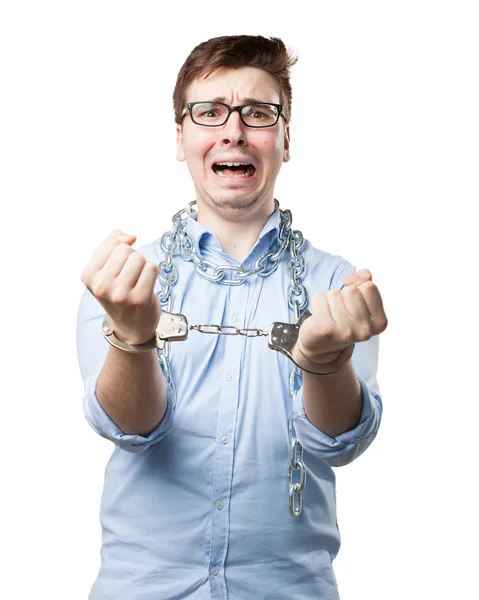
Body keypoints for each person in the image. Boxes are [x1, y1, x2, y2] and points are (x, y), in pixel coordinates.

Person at [76, 34, 388, 600]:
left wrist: (324, 363)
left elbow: (340, 442)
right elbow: (134, 431)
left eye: (259, 113)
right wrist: (130, 336)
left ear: (285, 138)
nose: (233, 130)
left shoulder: (336, 291)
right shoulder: (124, 283)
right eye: (210, 111)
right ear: (181, 136)